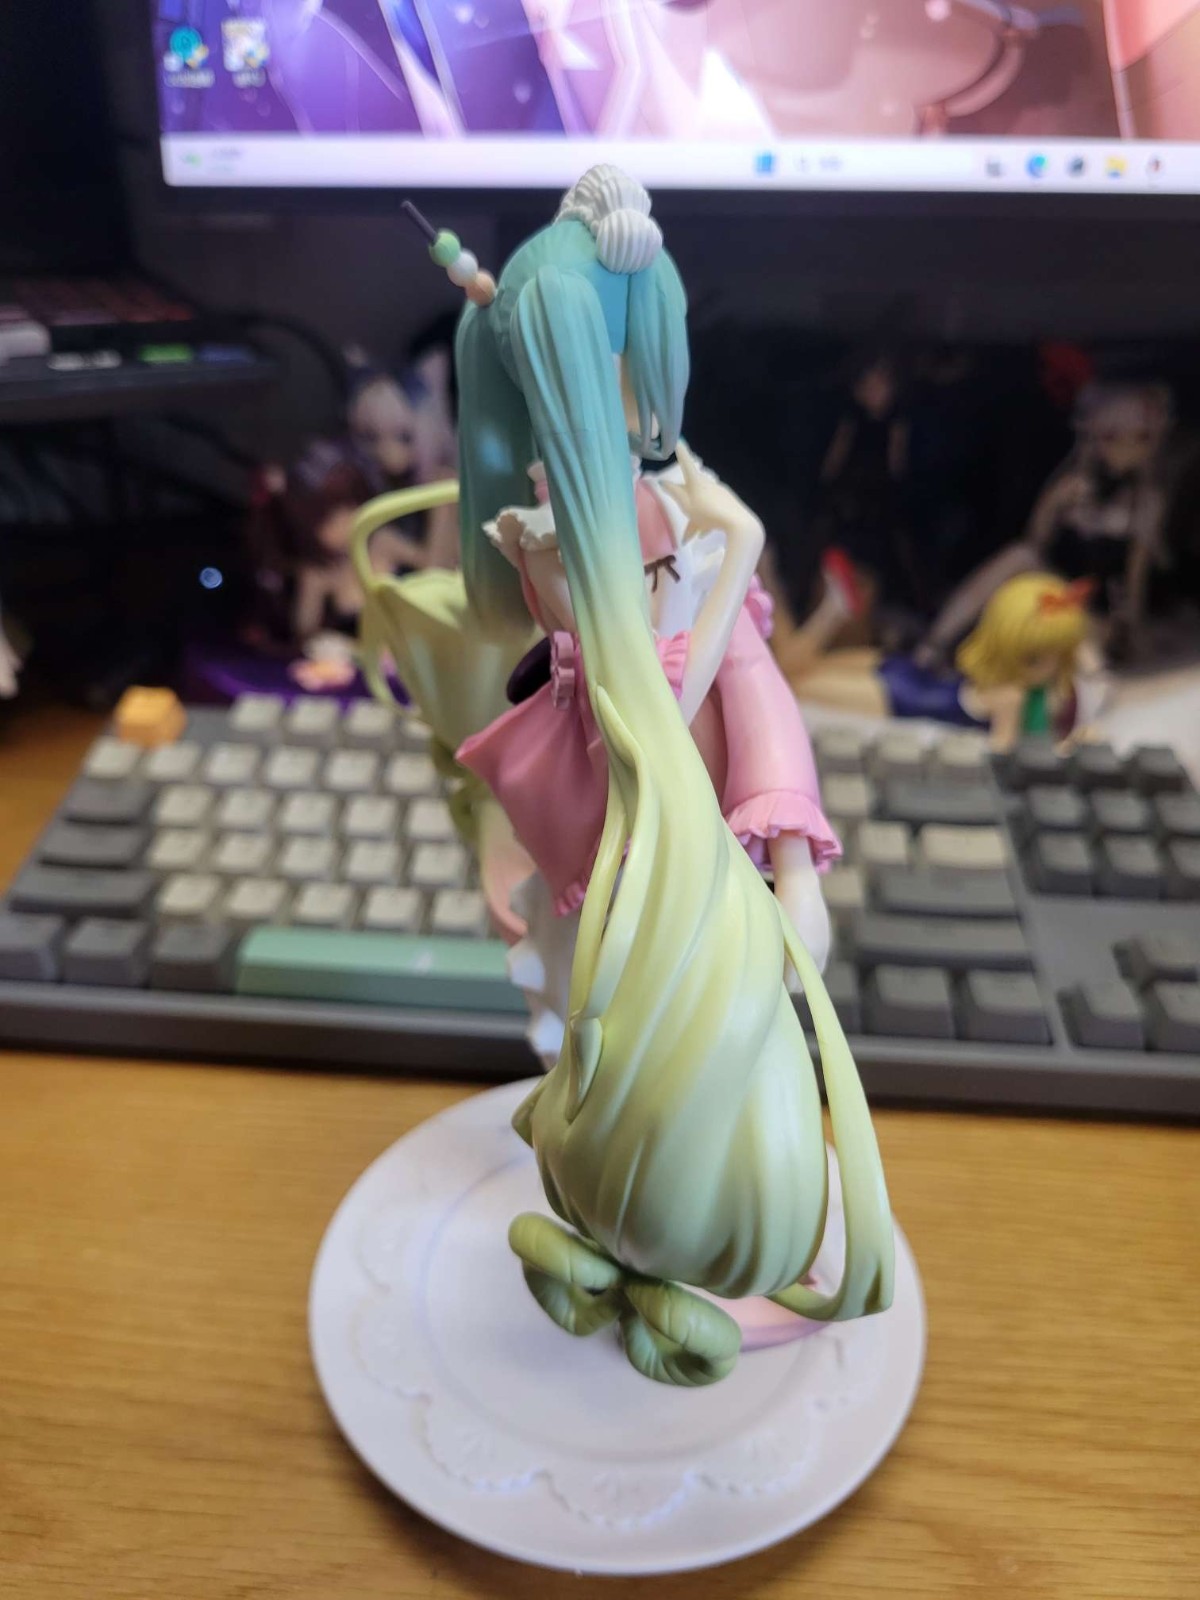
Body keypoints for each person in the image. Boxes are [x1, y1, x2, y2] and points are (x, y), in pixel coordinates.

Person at [438, 163, 892, 1385]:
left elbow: (759, 703)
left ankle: (694, 1227)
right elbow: (541, 690)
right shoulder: (549, 522)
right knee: (593, 1045)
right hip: (604, 854)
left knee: (712, 1065)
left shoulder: (692, 536)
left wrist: (794, 867)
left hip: (698, 869)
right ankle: (616, 1212)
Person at [777, 559, 1094, 751]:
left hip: (910, 677)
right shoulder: (1012, 696)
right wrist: (1069, 749)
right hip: (903, 695)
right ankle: (829, 610)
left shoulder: (1024, 691)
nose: (1051, 665)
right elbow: (1005, 755)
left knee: (790, 677)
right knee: (788, 681)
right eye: (1037, 657)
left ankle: (826, 607)